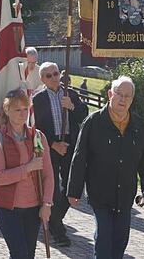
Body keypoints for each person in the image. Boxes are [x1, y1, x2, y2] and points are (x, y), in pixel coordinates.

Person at [67, 76, 144, 259]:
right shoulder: (94, 122)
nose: (122, 99)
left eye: (127, 96)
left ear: (132, 99)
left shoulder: (138, 125)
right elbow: (80, 157)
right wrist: (74, 191)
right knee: (104, 238)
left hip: (125, 194)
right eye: (119, 94)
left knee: (121, 239)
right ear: (109, 94)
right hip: (100, 194)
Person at [0, 88, 54, 259]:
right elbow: (0, 177)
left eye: (25, 109)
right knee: (19, 254)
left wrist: (47, 204)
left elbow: (48, 174)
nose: (22, 114)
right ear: (7, 111)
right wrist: (28, 168)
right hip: (7, 206)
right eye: (17, 109)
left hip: (33, 206)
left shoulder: (38, 137)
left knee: (28, 255)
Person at [32, 62, 88, 246]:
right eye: (49, 76)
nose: (54, 78)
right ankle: (58, 231)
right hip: (51, 145)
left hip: (70, 144)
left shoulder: (70, 94)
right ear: (42, 79)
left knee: (72, 186)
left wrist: (72, 107)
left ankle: (55, 219)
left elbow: (84, 117)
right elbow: (35, 128)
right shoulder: (38, 99)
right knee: (53, 187)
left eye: (56, 73)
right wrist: (53, 144)